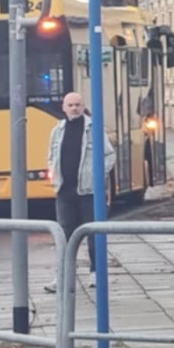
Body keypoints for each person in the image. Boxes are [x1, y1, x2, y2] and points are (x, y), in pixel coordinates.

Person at [45, 91, 115, 291]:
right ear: (64, 108)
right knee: (64, 236)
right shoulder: (57, 130)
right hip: (64, 192)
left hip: (89, 192)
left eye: (77, 105)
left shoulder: (94, 129)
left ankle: (97, 274)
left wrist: (97, 176)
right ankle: (63, 277)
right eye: (70, 105)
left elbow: (109, 155)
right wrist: (54, 175)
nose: (74, 108)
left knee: (94, 235)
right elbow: (51, 156)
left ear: (83, 107)